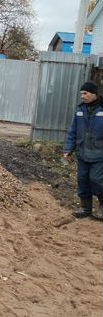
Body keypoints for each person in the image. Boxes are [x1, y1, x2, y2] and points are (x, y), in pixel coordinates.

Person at [63, 81, 103, 220]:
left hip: (99, 154)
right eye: (81, 94)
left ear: (94, 94)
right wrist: (68, 149)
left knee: (97, 180)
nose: (82, 96)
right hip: (83, 153)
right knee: (82, 180)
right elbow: (72, 131)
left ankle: (102, 207)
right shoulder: (80, 110)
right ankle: (85, 208)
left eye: (85, 93)